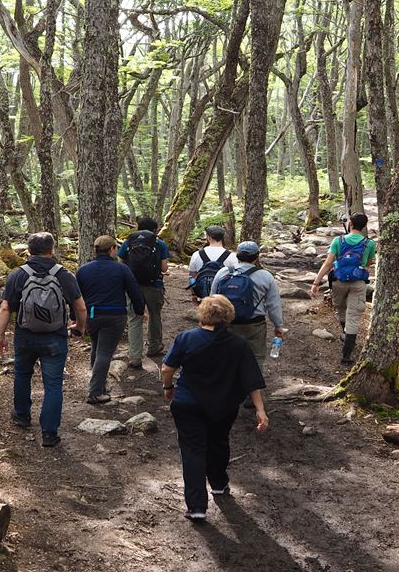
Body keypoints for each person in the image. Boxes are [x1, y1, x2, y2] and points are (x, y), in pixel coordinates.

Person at [162, 295, 269, 522]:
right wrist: (260, 410)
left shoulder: (186, 338)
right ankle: (219, 484)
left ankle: (196, 506)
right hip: (224, 405)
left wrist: (168, 387)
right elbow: (251, 379)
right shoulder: (239, 344)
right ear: (229, 316)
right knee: (219, 442)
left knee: (192, 451)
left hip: (188, 403)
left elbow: (167, 369)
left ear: (202, 314)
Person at [0, 232, 88, 448]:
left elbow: (6, 308)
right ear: (51, 250)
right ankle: (49, 433)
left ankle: (22, 415)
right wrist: (80, 327)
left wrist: (0, 336)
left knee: (22, 374)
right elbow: (80, 307)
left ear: (29, 251)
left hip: (25, 336)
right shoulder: (64, 274)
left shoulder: (18, 274)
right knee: (53, 384)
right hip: (55, 336)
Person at [75, 235, 146, 404]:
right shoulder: (121, 269)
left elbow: (76, 296)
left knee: (96, 348)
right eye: (115, 248)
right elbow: (134, 291)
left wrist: (75, 317)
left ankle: (99, 384)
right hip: (115, 316)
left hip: (92, 315)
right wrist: (139, 310)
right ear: (112, 249)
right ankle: (95, 392)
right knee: (104, 352)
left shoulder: (84, 270)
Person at [309, 213, 377, 365]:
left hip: (338, 281)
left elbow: (328, 263)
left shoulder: (337, 240)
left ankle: (345, 332)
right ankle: (346, 356)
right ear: (364, 226)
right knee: (353, 315)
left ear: (350, 223)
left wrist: (316, 283)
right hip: (358, 283)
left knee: (340, 308)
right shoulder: (370, 244)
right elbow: (368, 264)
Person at [209, 241, 285, 372]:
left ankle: (225, 381)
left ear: (237, 255)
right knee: (255, 358)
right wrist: (278, 325)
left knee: (225, 355)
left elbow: (212, 298)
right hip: (254, 325)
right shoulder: (266, 276)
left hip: (225, 323)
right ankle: (253, 382)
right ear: (257, 257)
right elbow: (273, 305)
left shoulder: (223, 272)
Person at [118, 217, 170, 367]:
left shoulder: (128, 241)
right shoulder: (159, 243)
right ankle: (154, 347)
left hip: (133, 286)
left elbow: (120, 263)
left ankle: (135, 356)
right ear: (154, 230)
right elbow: (164, 268)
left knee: (134, 319)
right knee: (155, 315)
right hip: (154, 286)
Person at [187, 225, 238, 301]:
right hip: (223, 296)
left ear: (209, 237)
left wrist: (194, 293)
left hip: (202, 295)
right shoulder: (231, 256)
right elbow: (235, 276)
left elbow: (192, 276)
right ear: (222, 237)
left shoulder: (197, 254)